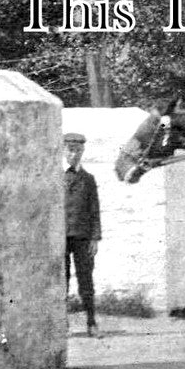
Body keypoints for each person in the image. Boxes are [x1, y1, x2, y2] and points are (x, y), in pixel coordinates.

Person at [63, 132, 102, 339]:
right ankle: (63, 324)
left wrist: (95, 238)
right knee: (62, 281)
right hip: (60, 238)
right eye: (70, 150)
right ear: (63, 151)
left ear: (82, 151)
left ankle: (91, 322)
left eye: (77, 150)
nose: (73, 154)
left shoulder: (88, 180)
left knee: (86, 281)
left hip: (83, 237)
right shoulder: (56, 177)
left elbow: (94, 210)